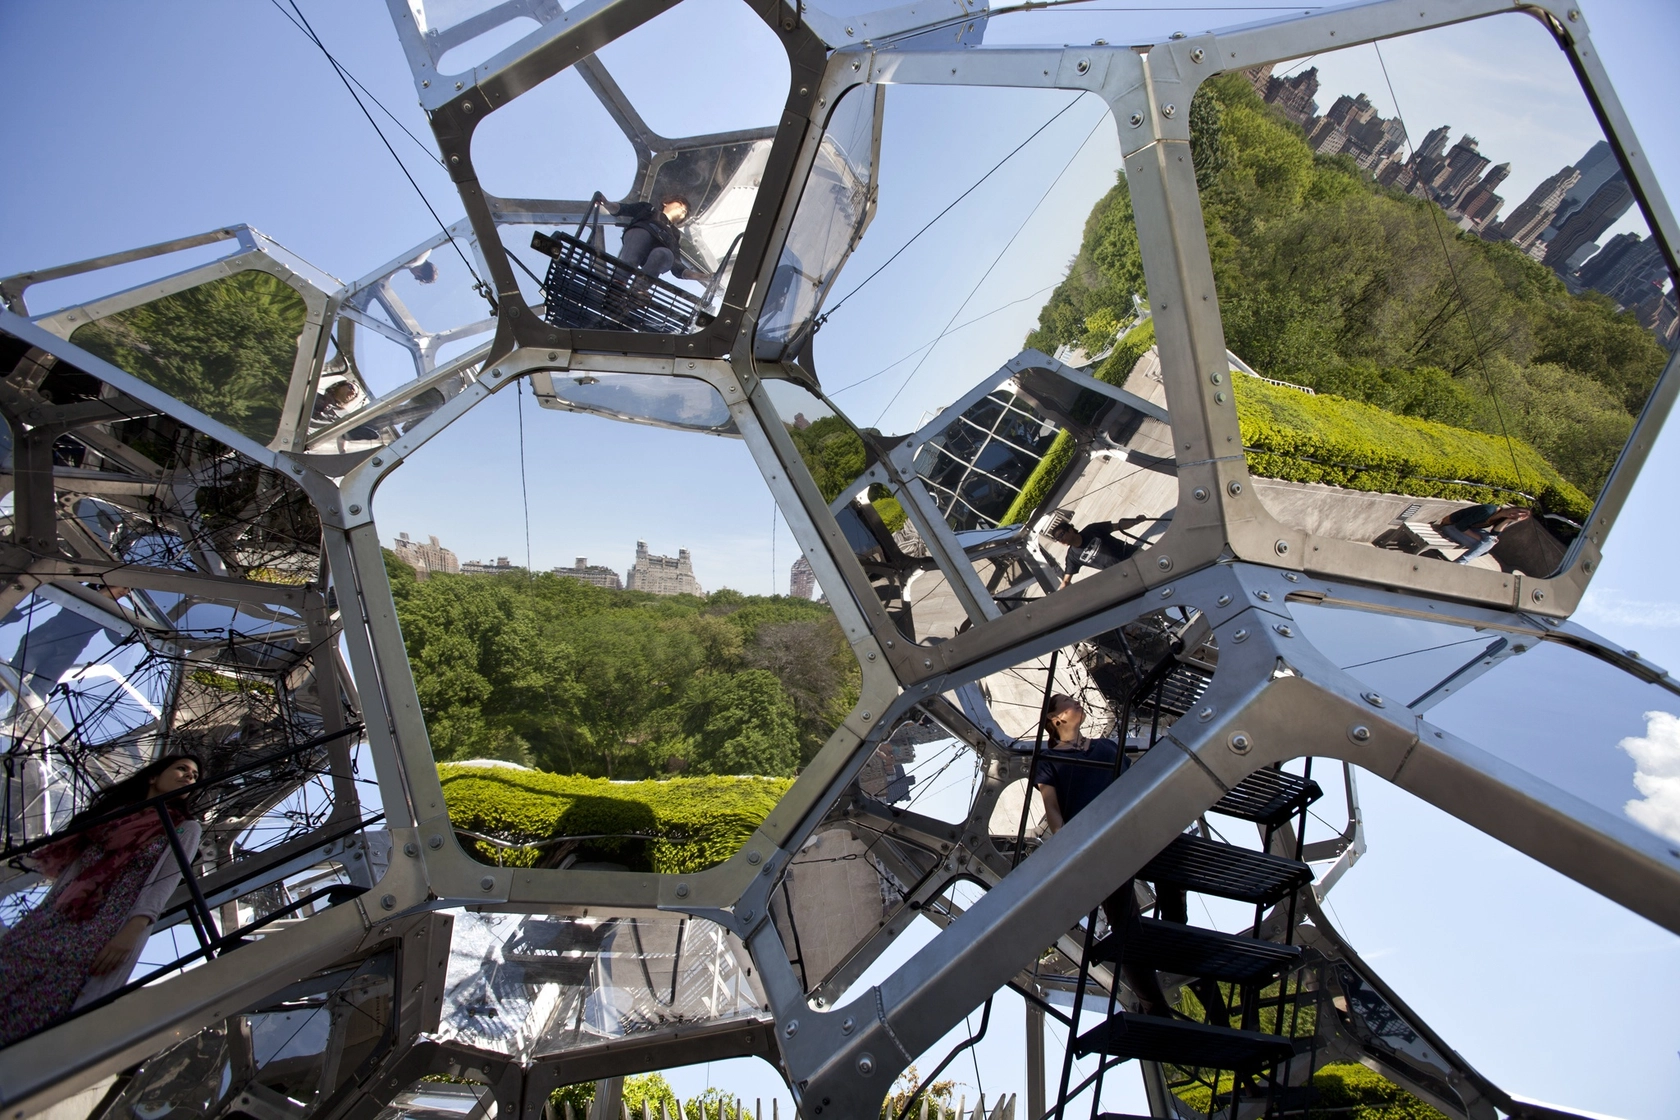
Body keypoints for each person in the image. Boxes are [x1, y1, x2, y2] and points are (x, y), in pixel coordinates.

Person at [0, 753, 204, 1045]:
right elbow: (76, 870)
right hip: (57, 916)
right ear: (152, 776)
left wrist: (131, 933)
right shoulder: (109, 819)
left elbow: (164, 884)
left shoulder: (185, 828)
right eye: (182, 769)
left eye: (194, 776)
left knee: (44, 1008)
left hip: (106, 928)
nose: (189, 777)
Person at [1033, 695, 1177, 1017]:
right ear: (1057, 720)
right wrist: (1070, 845)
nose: (1077, 704)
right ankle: (1155, 1007)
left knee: (1164, 874)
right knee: (1125, 925)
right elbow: (1052, 810)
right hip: (1098, 847)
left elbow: (1133, 783)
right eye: (1069, 704)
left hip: (1131, 830)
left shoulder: (1107, 748)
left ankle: (1173, 927)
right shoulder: (1049, 761)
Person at [598, 193, 713, 288]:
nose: (683, 210)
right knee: (641, 235)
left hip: (655, 253)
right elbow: (622, 209)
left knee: (665, 254)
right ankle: (619, 280)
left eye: (685, 211)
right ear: (666, 203)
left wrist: (701, 276)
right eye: (680, 204)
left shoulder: (675, 234)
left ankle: (640, 289)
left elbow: (677, 266)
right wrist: (606, 203)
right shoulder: (647, 209)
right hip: (640, 236)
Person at [1043, 511, 1151, 590]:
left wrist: (1135, 521)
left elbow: (1118, 526)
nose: (1061, 540)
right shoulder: (1072, 556)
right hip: (1122, 572)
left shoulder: (1092, 530)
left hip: (1133, 555)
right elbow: (1066, 580)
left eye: (1061, 535)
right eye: (1058, 539)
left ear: (1070, 530)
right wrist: (1056, 596)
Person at [1430, 503, 1531, 564]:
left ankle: (1460, 562)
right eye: (1518, 511)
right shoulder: (1488, 511)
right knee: (1484, 547)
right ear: (1513, 507)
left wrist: (1507, 520)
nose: (1517, 514)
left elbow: (1495, 533)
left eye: (1521, 516)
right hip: (1450, 526)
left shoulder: (1502, 518)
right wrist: (1478, 538)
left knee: (1490, 542)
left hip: (1462, 530)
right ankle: (1460, 562)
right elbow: (1461, 525)